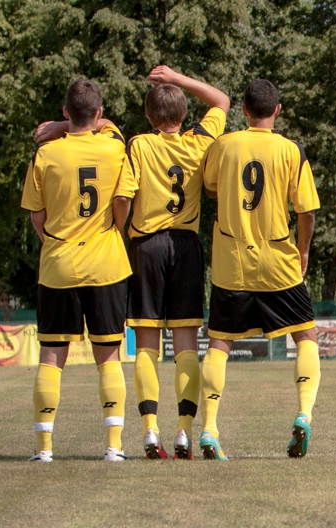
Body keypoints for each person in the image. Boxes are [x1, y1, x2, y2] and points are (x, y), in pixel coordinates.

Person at [197, 79, 321, 460]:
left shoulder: (224, 145)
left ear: (243, 111)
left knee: (219, 344)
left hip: (232, 262)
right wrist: (303, 250)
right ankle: (303, 413)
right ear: (277, 110)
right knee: (306, 336)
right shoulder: (290, 150)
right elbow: (307, 211)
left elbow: (210, 187)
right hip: (278, 261)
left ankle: (209, 428)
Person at [22, 79, 137, 462]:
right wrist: (116, 229)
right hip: (106, 264)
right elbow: (122, 201)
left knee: (51, 358)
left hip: (58, 265)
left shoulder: (45, 155)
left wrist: (54, 243)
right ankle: (114, 446)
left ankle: (44, 449)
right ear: (99, 112)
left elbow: (37, 215)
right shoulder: (115, 147)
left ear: (65, 111)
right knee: (109, 357)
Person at [125, 66, 229, 460]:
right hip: (185, 246)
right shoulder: (200, 141)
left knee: (146, 347)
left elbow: (125, 196)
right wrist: (180, 79)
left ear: (149, 116)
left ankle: (150, 430)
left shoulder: (139, 144)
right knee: (186, 346)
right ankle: (184, 431)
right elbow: (222, 100)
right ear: (184, 114)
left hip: (147, 246)